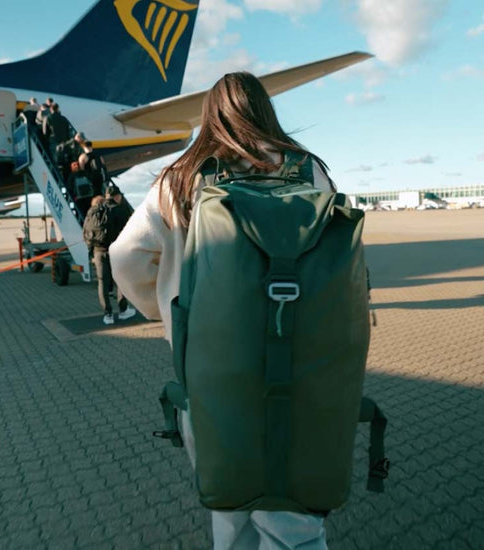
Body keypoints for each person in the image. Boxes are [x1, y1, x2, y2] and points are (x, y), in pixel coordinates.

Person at [109, 72, 334, 549]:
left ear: (210, 116)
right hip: (296, 367)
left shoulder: (180, 178)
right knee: (294, 520)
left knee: (229, 509)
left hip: (208, 373)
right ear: (264, 111)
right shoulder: (307, 169)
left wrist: (163, 312)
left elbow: (124, 255)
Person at [83, 192, 136, 325]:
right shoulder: (115, 210)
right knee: (120, 280)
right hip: (116, 250)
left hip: (99, 251)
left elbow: (85, 234)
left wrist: (92, 250)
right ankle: (123, 310)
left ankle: (108, 315)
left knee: (102, 282)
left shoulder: (92, 213)